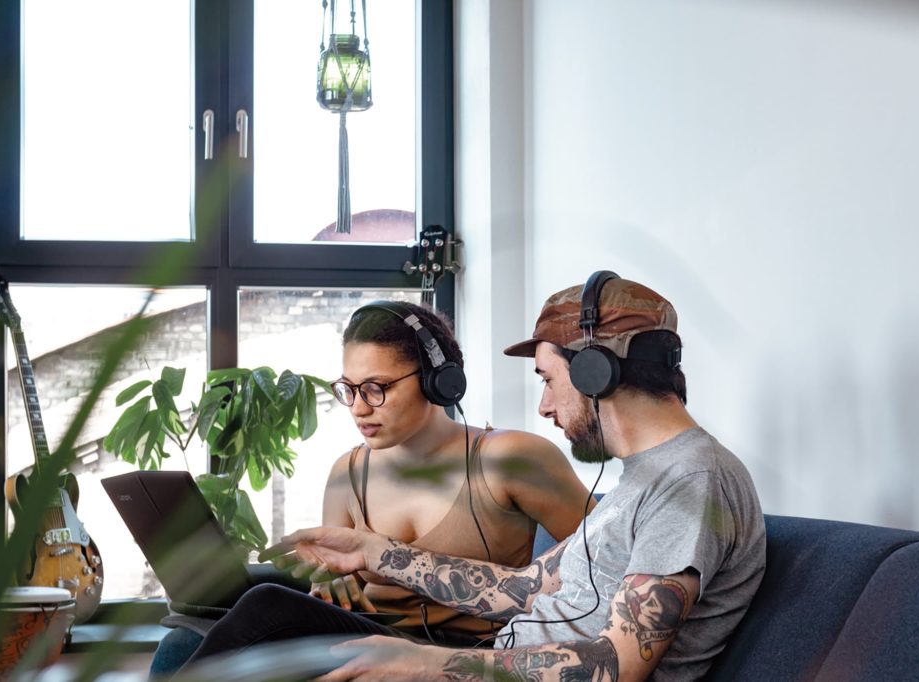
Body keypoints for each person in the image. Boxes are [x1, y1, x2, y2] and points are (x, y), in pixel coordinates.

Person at [261, 273, 766, 681]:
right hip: (500, 658)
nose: (544, 406)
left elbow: (618, 666)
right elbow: (525, 587)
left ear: (596, 374)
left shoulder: (693, 481)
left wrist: (430, 666)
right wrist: (374, 553)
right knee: (272, 614)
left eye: (548, 380)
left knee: (271, 621)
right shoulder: (642, 482)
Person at [164, 300, 594, 671]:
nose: (358, 408)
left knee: (267, 605)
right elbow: (333, 580)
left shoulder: (508, 457)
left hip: (469, 654)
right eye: (348, 389)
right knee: (210, 618)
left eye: (376, 388)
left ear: (437, 380)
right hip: (369, 641)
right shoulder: (346, 474)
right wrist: (328, 583)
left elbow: (608, 556)